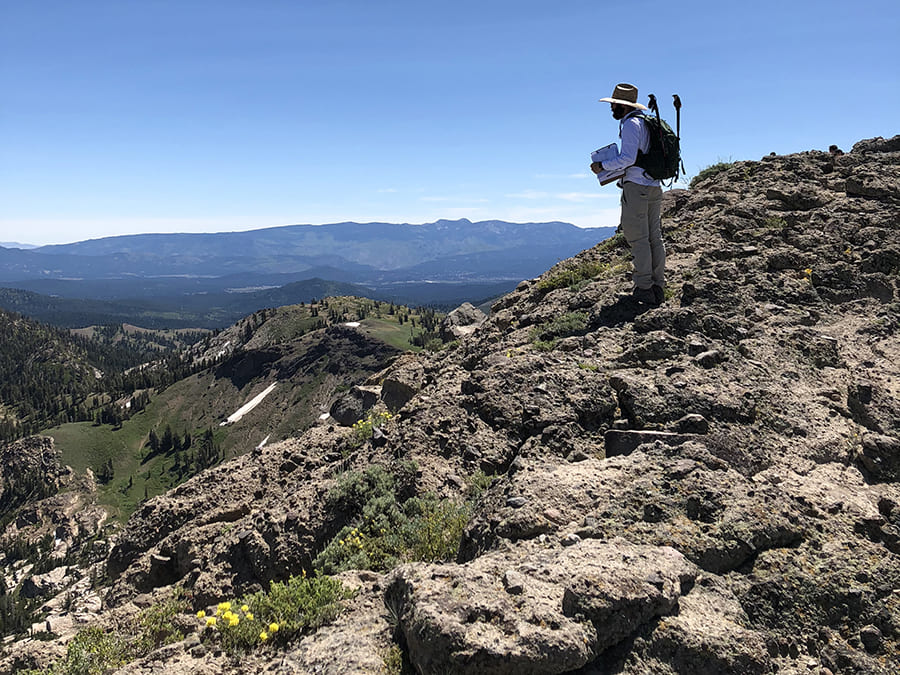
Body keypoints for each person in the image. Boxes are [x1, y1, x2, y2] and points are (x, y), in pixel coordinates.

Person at [591, 83, 666, 305]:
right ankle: (657, 286)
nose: (611, 108)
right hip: (654, 185)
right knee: (654, 237)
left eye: (614, 104)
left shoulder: (632, 124)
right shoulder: (647, 123)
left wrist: (602, 166)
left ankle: (644, 288)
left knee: (638, 238)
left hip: (637, 186)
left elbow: (628, 159)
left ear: (622, 106)